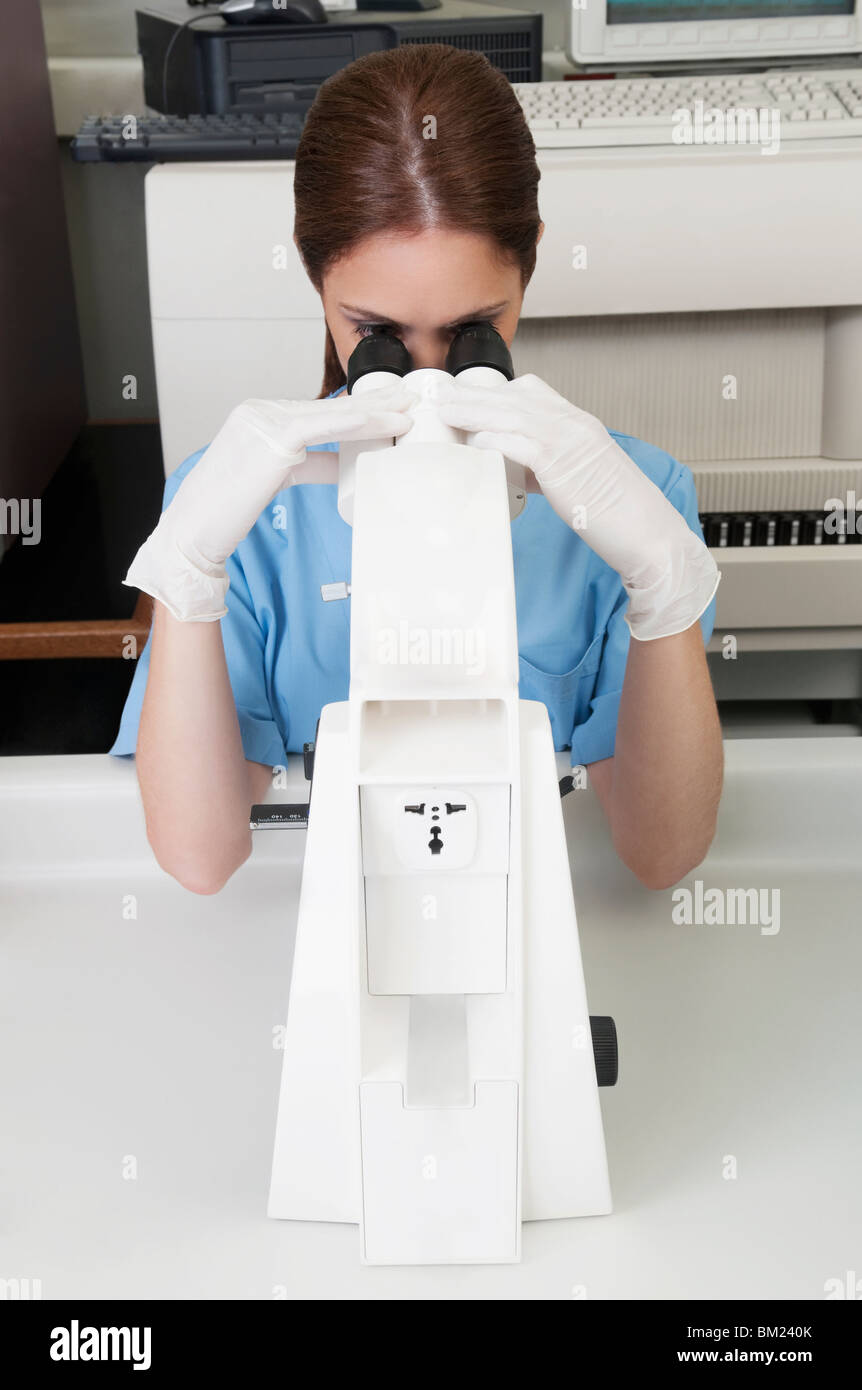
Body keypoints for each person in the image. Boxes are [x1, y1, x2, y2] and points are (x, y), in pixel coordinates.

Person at [109, 43, 722, 895]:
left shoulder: (639, 498)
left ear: (531, 260)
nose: (429, 380)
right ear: (312, 270)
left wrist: (665, 582)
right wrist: (187, 569)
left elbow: (662, 854)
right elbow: (200, 856)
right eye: (380, 335)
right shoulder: (243, 505)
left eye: (474, 330)